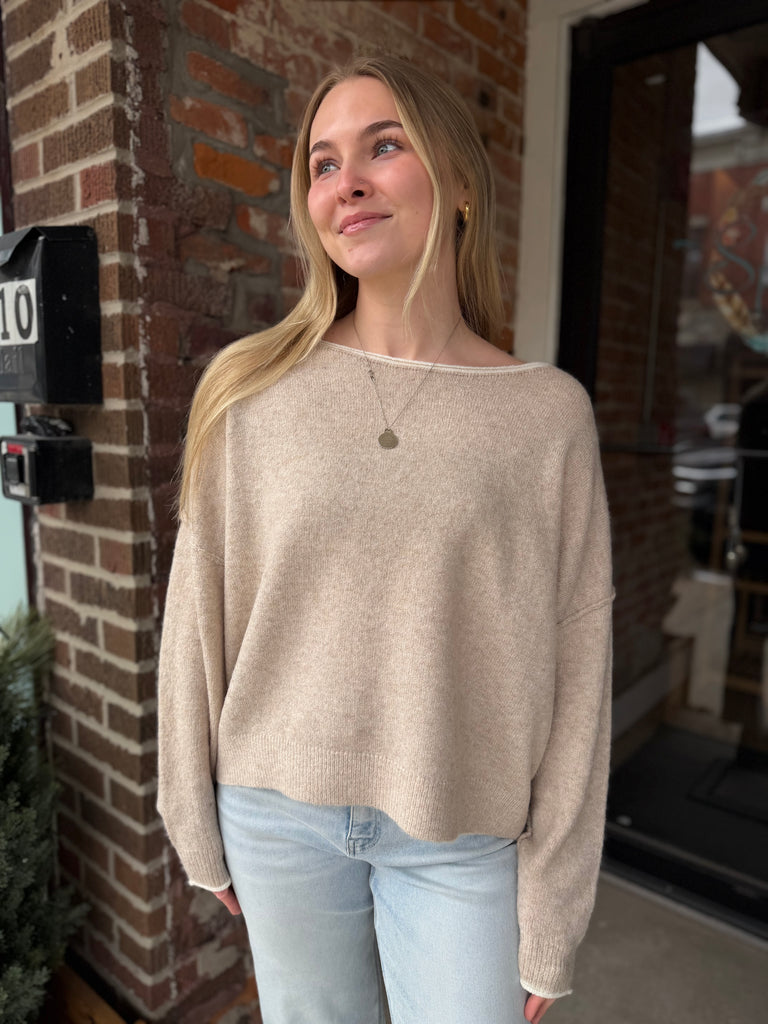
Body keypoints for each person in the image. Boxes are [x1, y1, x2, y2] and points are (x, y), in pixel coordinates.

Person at [157, 53, 614, 1024]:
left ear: (458, 184)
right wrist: (191, 816)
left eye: (384, 146)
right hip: (275, 816)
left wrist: (555, 910)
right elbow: (195, 619)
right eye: (323, 164)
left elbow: (580, 668)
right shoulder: (249, 392)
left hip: (461, 830)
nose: (347, 183)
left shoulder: (545, 415)